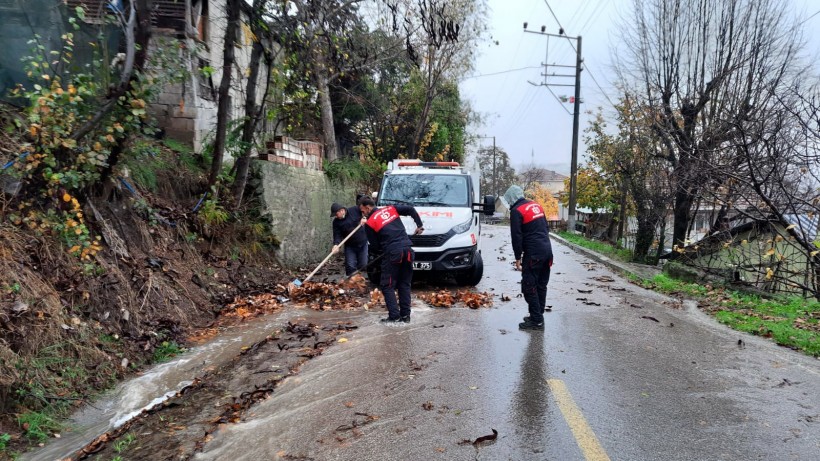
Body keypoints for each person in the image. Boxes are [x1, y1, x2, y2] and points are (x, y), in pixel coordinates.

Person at [359, 196, 424, 323]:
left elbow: (375, 246)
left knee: (387, 285)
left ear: (368, 208)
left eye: (362, 211)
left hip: (393, 253)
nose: (363, 214)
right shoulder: (390, 209)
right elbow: (410, 209)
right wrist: (419, 225)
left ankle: (394, 316)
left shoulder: (370, 223)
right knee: (404, 284)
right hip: (408, 250)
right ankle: (405, 316)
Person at [505, 185, 554, 331]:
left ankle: (537, 321)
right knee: (541, 285)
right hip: (547, 251)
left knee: (529, 285)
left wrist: (517, 257)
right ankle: (537, 316)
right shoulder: (535, 205)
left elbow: (516, 236)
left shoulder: (516, 211)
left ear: (511, 199)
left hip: (533, 254)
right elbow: (546, 228)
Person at [331, 201, 368, 277]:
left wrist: (364, 218)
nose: (336, 216)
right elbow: (337, 235)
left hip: (362, 243)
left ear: (341, 210)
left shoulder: (355, 210)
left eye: (336, 214)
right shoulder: (336, 222)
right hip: (350, 245)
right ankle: (351, 282)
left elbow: (366, 210)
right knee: (350, 266)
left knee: (363, 264)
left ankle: (359, 279)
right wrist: (336, 245)